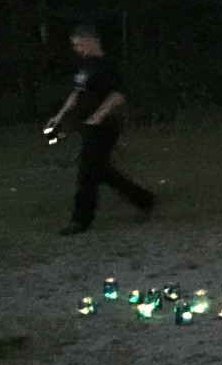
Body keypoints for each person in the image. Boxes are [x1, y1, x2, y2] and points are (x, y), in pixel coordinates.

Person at [46, 24, 156, 235]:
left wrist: (98, 117)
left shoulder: (107, 66)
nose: (77, 49)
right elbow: (76, 94)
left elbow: (118, 95)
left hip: (103, 127)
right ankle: (144, 199)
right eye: (75, 45)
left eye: (80, 44)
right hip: (86, 125)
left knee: (86, 173)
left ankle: (81, 220)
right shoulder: (84, 67)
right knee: (101, 171)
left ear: (92, 41)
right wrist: (60, 116)